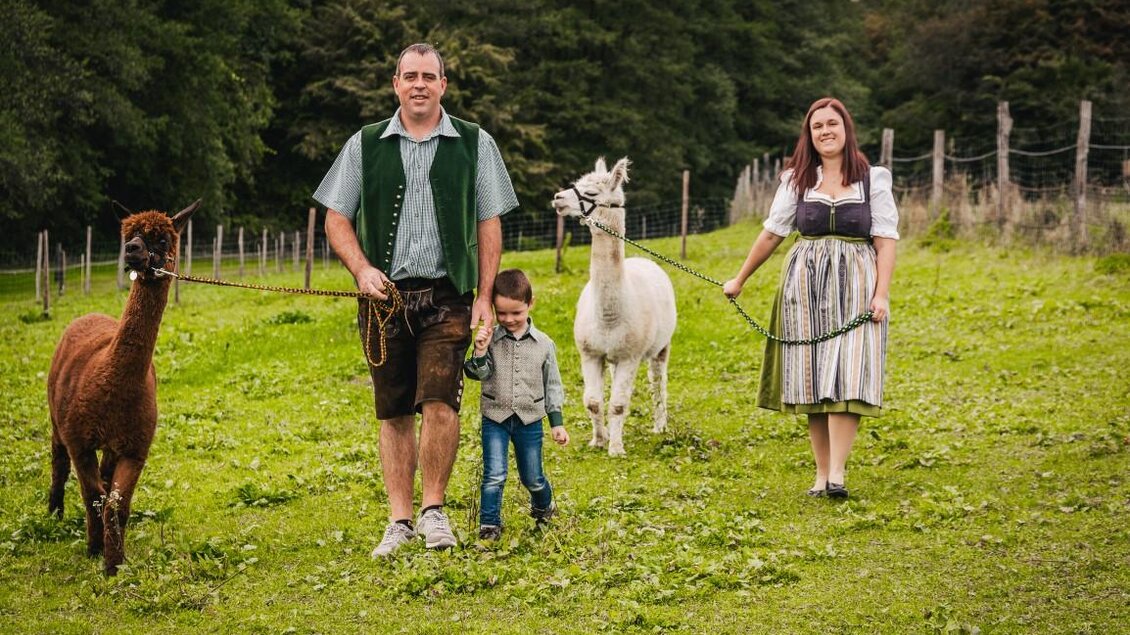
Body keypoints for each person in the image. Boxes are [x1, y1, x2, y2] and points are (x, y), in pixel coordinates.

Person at [312, 43, 518, 556]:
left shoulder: (475, 143)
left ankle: (434, 512)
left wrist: (485, 297)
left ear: (443, 85)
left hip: (449, 295)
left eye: (430, 75)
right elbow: (336, 216)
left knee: (440, 399)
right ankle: (399, 520)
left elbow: (488, 222)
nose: (420, 84)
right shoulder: (364, 144)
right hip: (384, 300)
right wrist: (361, 269)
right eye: (411, 76)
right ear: (396, 83)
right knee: (394, 409)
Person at [723, 97, 898, 500]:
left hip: (856, 283)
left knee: (849, 373)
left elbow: (885, 240)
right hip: (804, 287)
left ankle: (838, 473)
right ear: (810, 134)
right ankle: (821, 475)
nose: (825, 131)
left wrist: (881, 294)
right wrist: (741, 278)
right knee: (813, 378)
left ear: (846, 128)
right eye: (817, 126)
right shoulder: (797, 180)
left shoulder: (874, 179)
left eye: (832, 124)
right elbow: (772, 234)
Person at [463, 269, 569, 541]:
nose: (509, 320)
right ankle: (489, 525)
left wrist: (556, 423)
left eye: (516, 313)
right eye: (502, 314)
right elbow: (477, 374)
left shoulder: (544, 345)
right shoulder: (490, 338)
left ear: (530, 305)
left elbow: (552, 385)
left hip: (530, 419)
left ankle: (544, 507)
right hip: (495, 418)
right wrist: (480, 351)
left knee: (532, 477)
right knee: (494, 475)